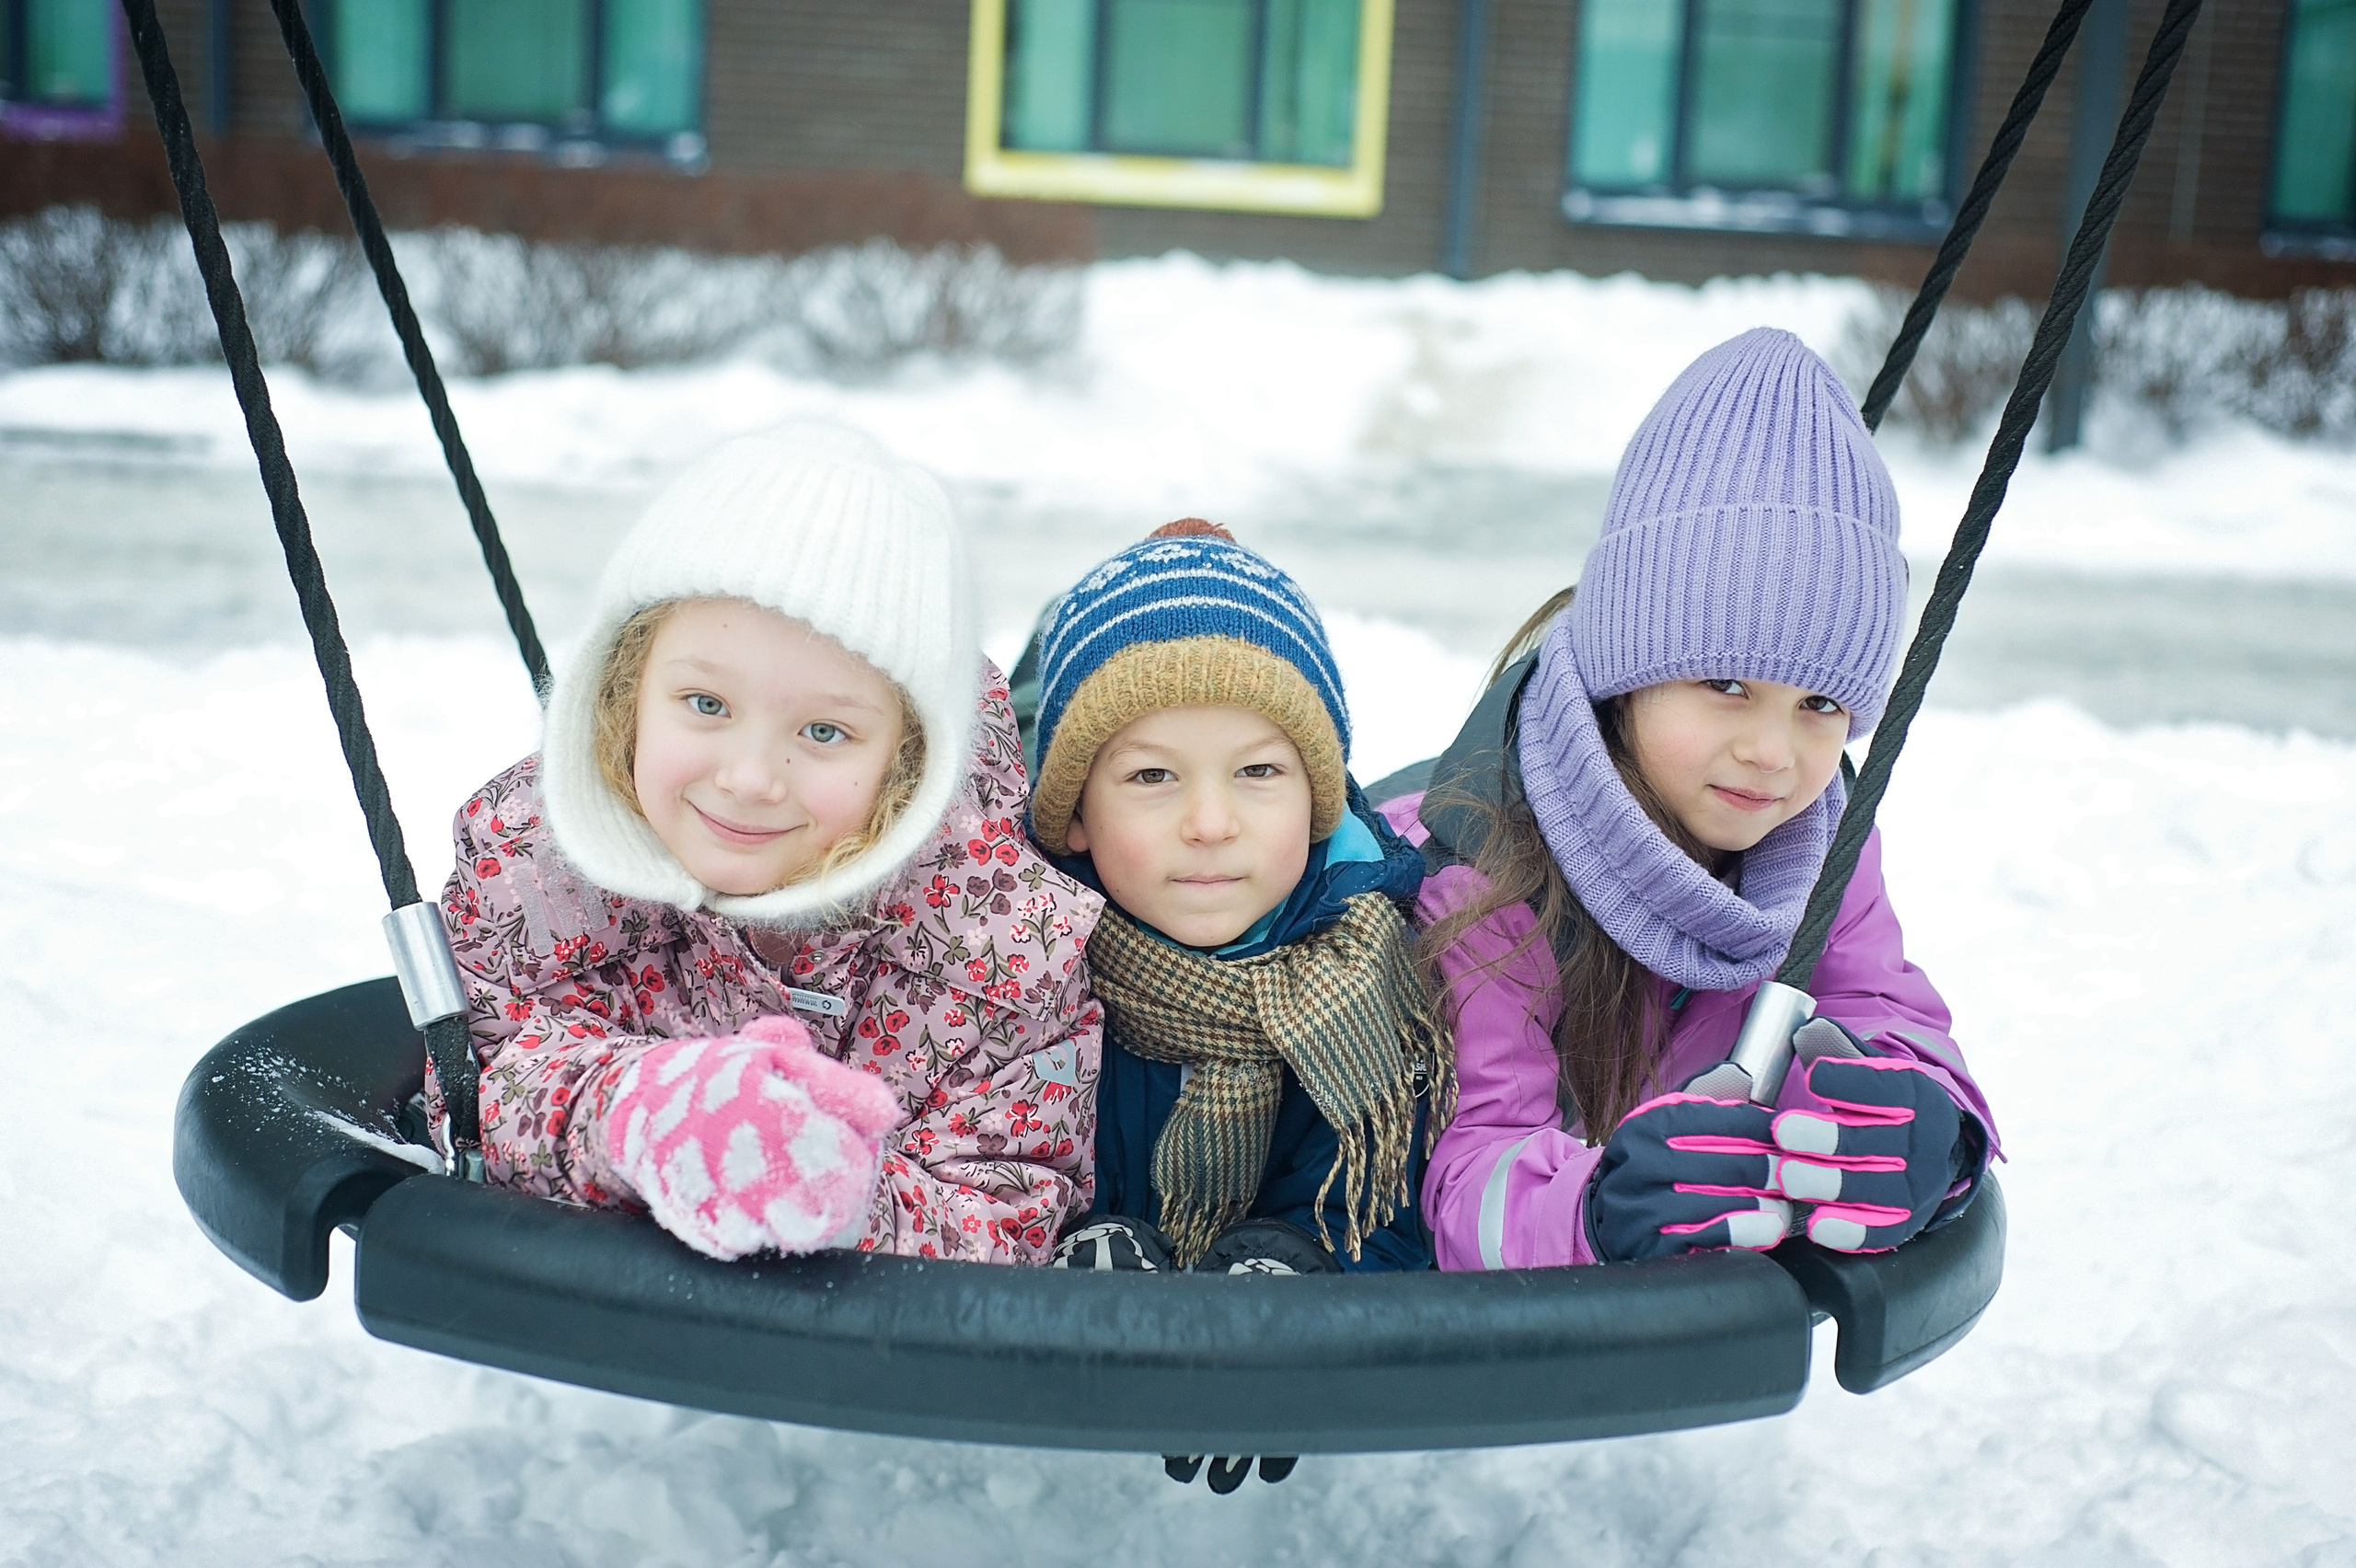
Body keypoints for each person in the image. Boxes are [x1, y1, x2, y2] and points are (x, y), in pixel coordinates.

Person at [1382, 329, 1998, 1272]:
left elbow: (1878, 1011)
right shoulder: (1480, 869)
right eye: (1724, 685)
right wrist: (1598, 1205)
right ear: (1631, 672)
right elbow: (1462, 1177)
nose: (1771, 754)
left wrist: (1919, 1133)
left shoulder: (1819, 847)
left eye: (1818, 705)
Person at [424, 423, 1103, 1264]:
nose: (750, 777)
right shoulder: (532, 872)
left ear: (910, 756)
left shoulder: (1000, 945)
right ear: (627, 691)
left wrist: (832, 1188)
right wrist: (641, 1113)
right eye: (706, 705)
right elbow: (479, 1073)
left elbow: (1008, 1202)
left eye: (823, 730)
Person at [1024, 519, 1451, 1276]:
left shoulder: (1369, 971)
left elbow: (1386, 1216)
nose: (1212, 825)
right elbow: (981, 1152)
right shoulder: (1020, 962)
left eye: (1257, 773)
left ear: (1317, 802)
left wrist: (1304, 1261)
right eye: (1153, 777)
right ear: (1077, 815)